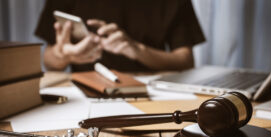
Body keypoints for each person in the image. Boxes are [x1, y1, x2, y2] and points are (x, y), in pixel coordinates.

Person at [35, 0, 205, 72]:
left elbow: (185, 61)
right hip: (83, 95)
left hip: (152, 93)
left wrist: (138, 50)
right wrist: (62, 55)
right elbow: (49, 62)